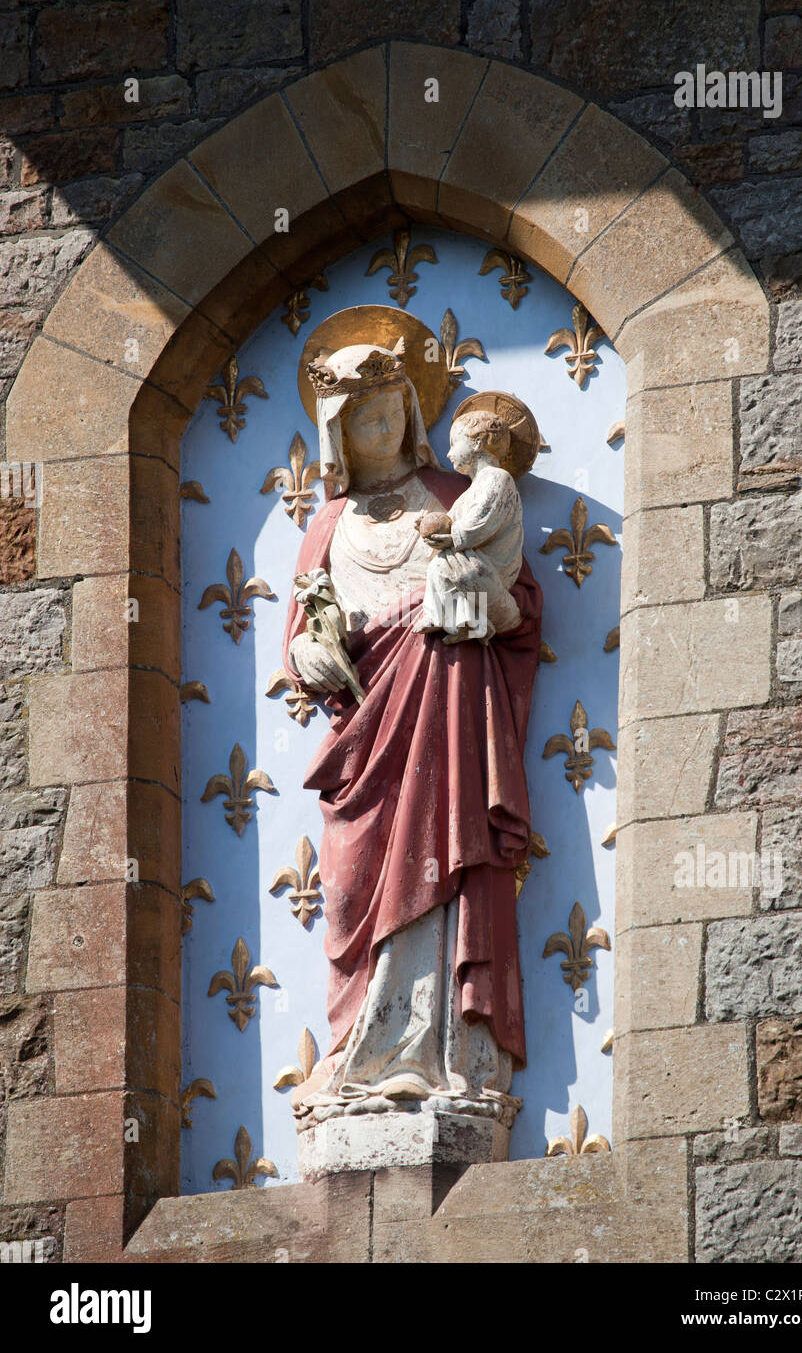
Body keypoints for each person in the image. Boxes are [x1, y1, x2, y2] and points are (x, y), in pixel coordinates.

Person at [282, 337, 542, 1129]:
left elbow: (519, 609)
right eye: (364, 420)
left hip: (448, 713)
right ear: (337, 433)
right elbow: (299, 636)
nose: (383, 431)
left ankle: (445, 1055)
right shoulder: (328, 525)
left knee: (447, 856)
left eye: (394, 413)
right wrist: (312, 651)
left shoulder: (460, 498)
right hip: (364, 742)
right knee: (357, 883)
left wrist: (469, 612)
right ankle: (363, 1052)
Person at [413, 407, 525, 644]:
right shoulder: (467, 493)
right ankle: (456, 621)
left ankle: (467, 622)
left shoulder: (497, 478)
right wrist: (427, 527)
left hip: (493, 567)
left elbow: (483, 521)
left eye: (454, 444)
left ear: (476, 444)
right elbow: (450, 521)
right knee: (440, 566)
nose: (449, 453)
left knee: (446, 565)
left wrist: (453, 537)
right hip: (474, 559)